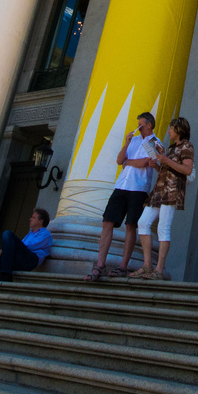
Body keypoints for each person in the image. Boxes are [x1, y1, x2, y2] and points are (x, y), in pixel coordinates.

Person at [82, 112, 158, 282]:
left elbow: (146, 162)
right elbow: (119, 160)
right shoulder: (135, 140)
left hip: (138, 189)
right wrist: (126, 144)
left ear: (148, 125)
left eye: (140, 124)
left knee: (131, 225)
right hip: (121, 186)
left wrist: (129, 162)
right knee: (107, 222)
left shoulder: (154, 142)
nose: (137, 127)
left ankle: (123, 266)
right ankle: (100, 264)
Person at [133, 117, 194, 280]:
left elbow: (187, 170)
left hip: (172, 191)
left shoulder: (186, 146)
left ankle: (158, 270)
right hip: (160, 190)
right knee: (143, 222)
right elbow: (168, 170)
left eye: (171, 128)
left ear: (179, 130)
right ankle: (147, 266)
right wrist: (158, 165)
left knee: (163, 227)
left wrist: (165, 160)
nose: (169, 131)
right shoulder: (172, 148)